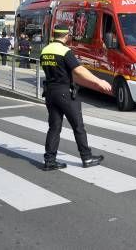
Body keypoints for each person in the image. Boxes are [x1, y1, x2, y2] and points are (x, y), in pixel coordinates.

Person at [40, 24, 112, 171]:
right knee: (78, 126)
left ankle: (50, 160)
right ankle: (87, 157)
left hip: (50, 92)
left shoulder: (45, 50)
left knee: (54, 127)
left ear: (54, 35)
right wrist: (99, 81)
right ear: (66, 36)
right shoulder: (65, 51)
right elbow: (79, 70)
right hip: (64, 93)